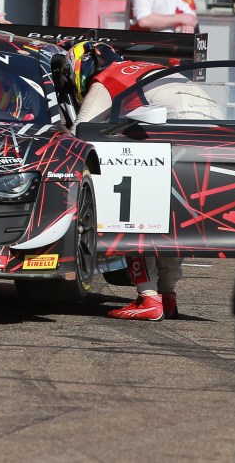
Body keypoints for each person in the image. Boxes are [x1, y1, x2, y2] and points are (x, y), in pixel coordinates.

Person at [59, 39, 184, 321]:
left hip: (172, 131)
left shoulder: (108, 77)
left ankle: (149, 297)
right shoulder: (152, 68)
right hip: (210, 136)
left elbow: (80, 133)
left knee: (132, 212)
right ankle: (168, 295)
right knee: (173, 219)